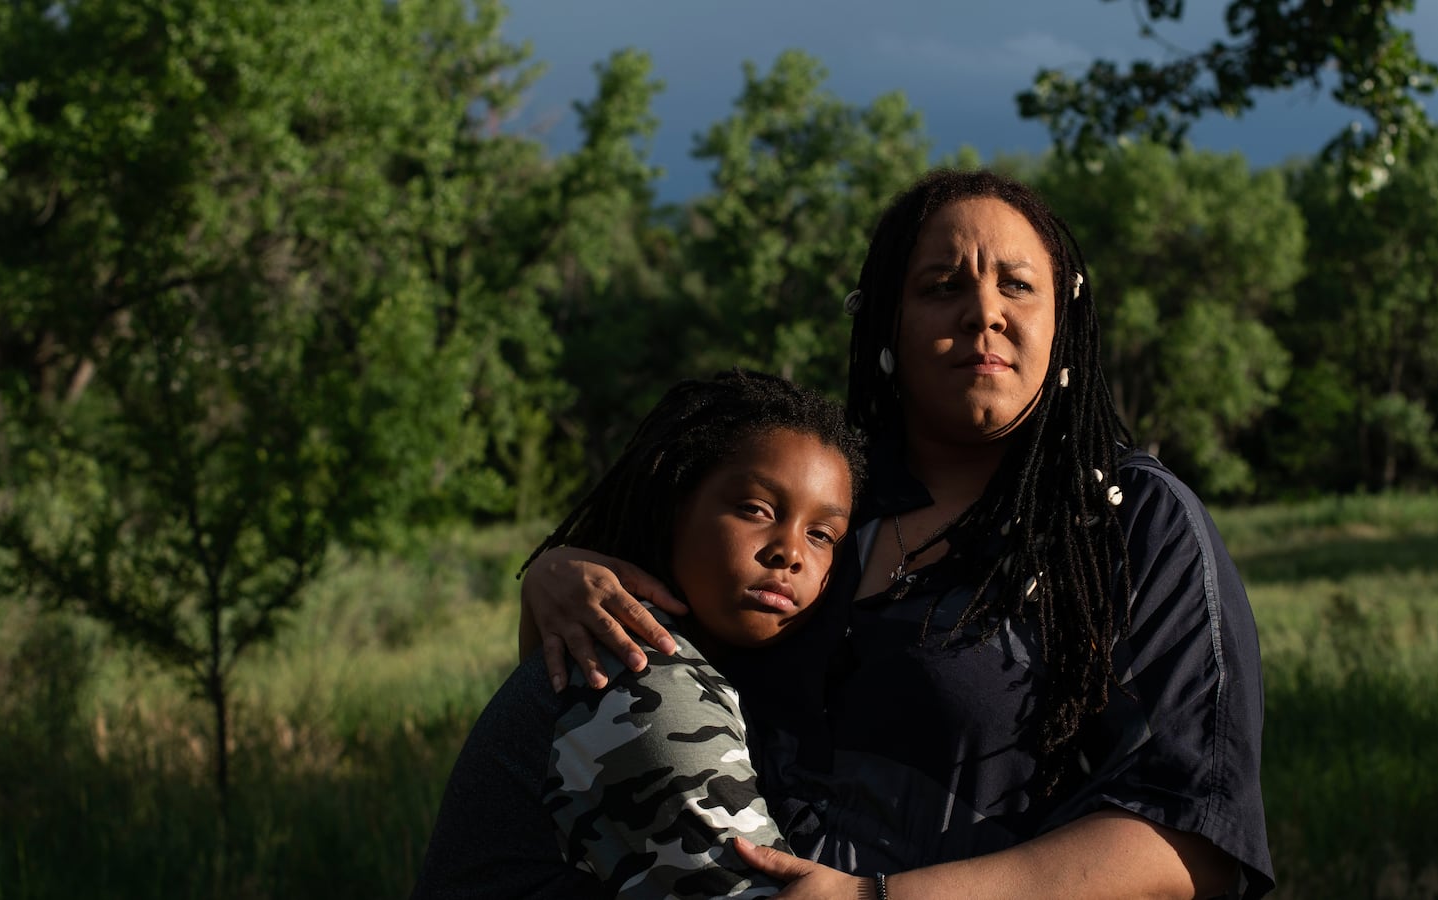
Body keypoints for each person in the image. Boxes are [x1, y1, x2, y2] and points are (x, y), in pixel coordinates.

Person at [522, 169, 1274, 899]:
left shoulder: (1131, 519)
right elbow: (616, 670)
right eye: (943, 286)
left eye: (1017, 285)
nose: (984, 312)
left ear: (1063, 322)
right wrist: (556, 578)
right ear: (887, 322)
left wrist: (877, 898)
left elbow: (1196, 839)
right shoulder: (816, 496)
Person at [412, 370, 866, 899]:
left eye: (821, 534)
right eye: (755, 509)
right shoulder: (642, 683)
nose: (789, 552)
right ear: (674, 502)